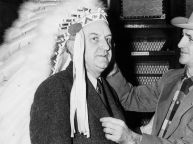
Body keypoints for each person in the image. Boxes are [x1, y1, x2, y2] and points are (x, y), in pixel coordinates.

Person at [100, 3, 193, 144]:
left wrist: (134, 139)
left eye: (190, 38)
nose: (180, 44)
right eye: (182, 36)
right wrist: (111, 69)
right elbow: (130, 98)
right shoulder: (171, 77)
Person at [29, 1, 126, 144]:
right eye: (95, 39)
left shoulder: (108, 89)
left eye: (108, 40)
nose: (106, 46)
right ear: (73, 46)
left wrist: (138, 135)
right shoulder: (54, 89)